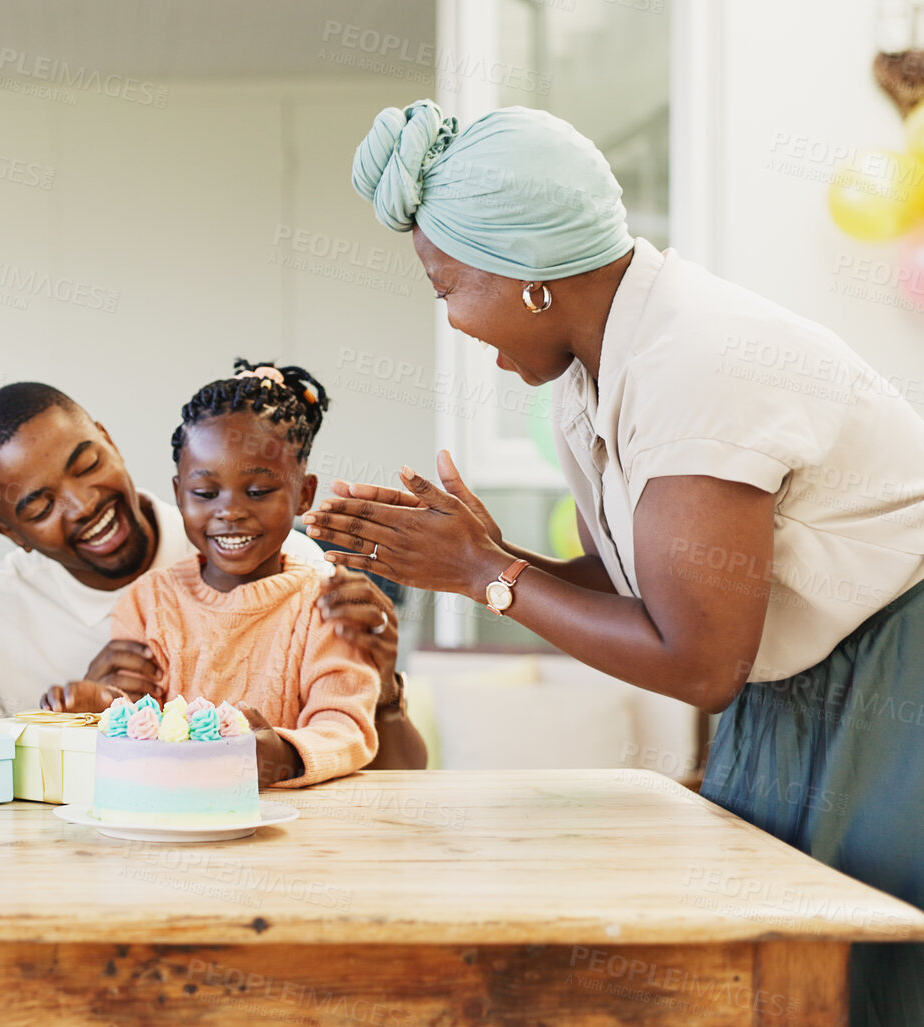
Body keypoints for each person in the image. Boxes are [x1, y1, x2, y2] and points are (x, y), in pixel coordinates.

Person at [320, 98, 924, 1020]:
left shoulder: (697, 362)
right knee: (768, 970)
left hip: (892, 680)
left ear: (526, 276)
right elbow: (655, 582)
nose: (449, 320)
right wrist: (484, 556)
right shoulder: (596, 366)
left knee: (863, 974)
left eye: (447, 289)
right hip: (802, 684)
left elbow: (697, 660)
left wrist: (485, 573)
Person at [0, 381, 427, 769]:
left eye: (87, 465)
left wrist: (379, 694)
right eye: (41, 505)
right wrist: (91, 711)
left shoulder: (308, 579)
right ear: (12, 534)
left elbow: (358, 740)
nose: (83, 503)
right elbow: (137, 724)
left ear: (110, 442)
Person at [47, 362, 381, 789]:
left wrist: (282, 754)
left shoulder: (327, 604)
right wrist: (97, 703)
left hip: (289, 829)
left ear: (304, 494)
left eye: (258, 492)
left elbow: (345, 726)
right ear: (178, 494)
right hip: (169, 815)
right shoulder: (149, 600)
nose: (230, 511)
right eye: (205, 494)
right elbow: (136, 715)